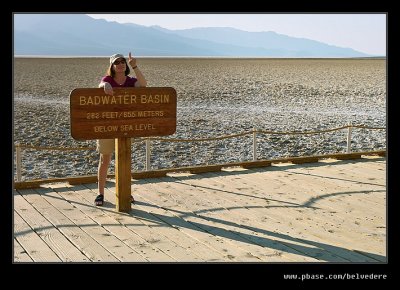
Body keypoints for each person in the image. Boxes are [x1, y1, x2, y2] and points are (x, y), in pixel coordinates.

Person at [95, 52, 147, 206]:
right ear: (112, 66)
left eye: (123, 62)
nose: (120, 65)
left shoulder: (130, 81)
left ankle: (126, 193)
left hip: (125, 125)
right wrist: (105, 85)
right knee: (105, 159)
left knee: (124, 159)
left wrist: (135, 66)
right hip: (107, 125)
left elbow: (143, 84)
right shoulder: (108, 79)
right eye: (117, 62)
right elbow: (101, 84)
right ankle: (100, 193)